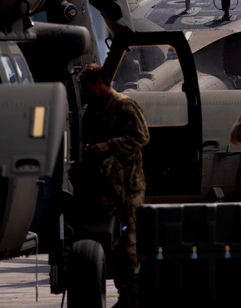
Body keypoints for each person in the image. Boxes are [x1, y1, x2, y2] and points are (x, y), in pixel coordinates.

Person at [78, 63, 150, 308]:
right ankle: (126, 297)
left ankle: (138, 298)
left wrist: (110, 145)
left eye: (88, 87)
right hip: (106, 189)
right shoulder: (94, 110)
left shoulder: (124, 105)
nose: (86, 92)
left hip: (129, 188)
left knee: (131, 247)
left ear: (100, 82)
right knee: (116, 249)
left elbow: (142, 137)